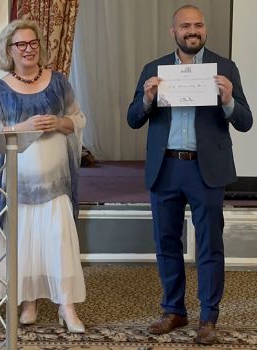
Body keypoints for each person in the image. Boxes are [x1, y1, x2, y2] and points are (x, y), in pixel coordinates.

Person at [127, 5, 252, 345]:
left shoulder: (225, 68)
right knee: (166, 243)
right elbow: (133, 118)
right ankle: (174, 310)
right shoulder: (154, 68)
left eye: (197, 25)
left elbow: (244, 120)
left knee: (210, 246)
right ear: (174, 32)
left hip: (205, 169)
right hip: (165, 167)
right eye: (185, 26)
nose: (192, 30)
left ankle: (208, 318)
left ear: (204, 29)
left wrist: (227, 99)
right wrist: (148, 99)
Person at [0, 19, 86, 333]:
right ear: (9, 51)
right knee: (24, 244)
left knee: (58, 242)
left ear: (40, 46)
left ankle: (67, 307)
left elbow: (78, 121)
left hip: (56, 184)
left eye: (33, 43)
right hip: (16, 185)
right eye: (21, 45)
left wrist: (58, 122)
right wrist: (21, 129)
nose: (28, 49)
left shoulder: (59, 82)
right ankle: (29, 301)